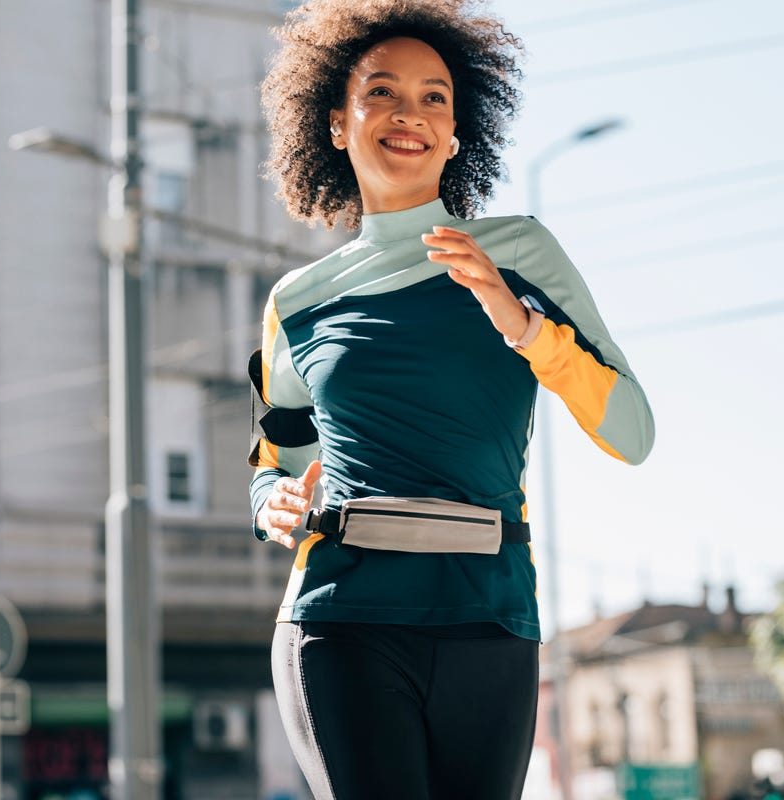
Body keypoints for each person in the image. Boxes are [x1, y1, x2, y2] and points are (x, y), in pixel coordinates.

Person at [248, 1, 655, 797]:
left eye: (435, 96)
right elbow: (277, 464)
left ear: (458, 131)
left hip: (491, 619)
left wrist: (521, 322)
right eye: (383, 93)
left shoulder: (523, 253)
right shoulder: (296, 303)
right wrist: (273, 507)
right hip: (340, 620)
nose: (411, 114)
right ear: (336, 123)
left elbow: (633, 433)